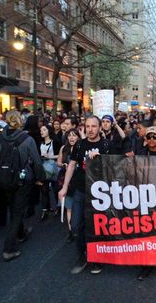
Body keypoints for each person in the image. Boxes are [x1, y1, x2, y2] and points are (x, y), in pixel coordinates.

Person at [0, 110, 44, 261]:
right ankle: (8, 249)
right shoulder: (27, 139)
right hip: (22, 180)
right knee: (17, 212)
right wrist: (40, 178)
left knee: (13, 208)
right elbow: (37, 161)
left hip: (4, 180)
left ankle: (21, 234)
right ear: (20, 120)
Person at [58, 116, 110, 275]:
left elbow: (114, 167)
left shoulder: (106, 145)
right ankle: (83, 254)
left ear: (100, 127)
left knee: (95, 226)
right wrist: (65, 187)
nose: (90, 129)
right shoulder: (79, 144)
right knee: (75, 226)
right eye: (87, 126)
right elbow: (72, 165)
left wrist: (99, 160)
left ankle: (96, 259)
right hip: (80, 189)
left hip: (99, 192)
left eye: (94, 126)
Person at [57, 128, 81, 243]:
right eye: (70, 135)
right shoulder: (64, 148)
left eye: (74, 135)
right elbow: (58, 162)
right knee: (69, 207)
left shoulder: (81, 148)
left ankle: (79, 229)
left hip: (78, 180)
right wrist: (63, 165)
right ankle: (71, 232)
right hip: (66, 180)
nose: (72, 138)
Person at [39, 125, 61, 222]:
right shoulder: (40, 143)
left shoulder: (55, 141)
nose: (42, 131)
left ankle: (58, 208)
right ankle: (45, 210)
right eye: (41, 130)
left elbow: (61, 155)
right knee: (44, 190)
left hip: (54, 168)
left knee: (56, 189)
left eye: (44, 130)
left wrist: (49, 156)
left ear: (49, 131)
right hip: (44, 168)